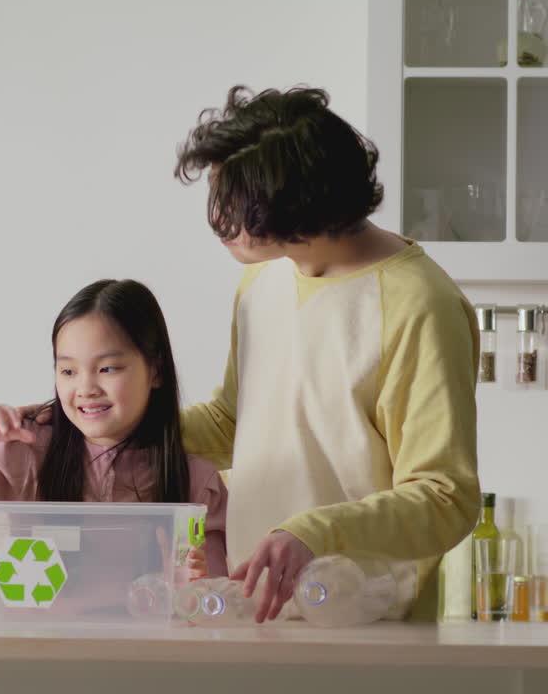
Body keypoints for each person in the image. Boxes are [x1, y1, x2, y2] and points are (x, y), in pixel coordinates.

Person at [173, 85, 480, 622]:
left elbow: (445, 498)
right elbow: (232, 423)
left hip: (372, 624)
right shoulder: (262, 277)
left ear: (300, 209)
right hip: (259, 612)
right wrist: (108, 425)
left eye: (237, 205)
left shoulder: (418, 303)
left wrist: (314, 531)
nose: (219, 218)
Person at [0, 278, 228, 579]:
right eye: (68, 371)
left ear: (155, 371)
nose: (86, 388)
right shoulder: (25, 452)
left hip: (149, 644)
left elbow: (215, 604)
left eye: (107, 368)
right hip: (40, 642)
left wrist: (195, 589)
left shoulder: (196, 483)